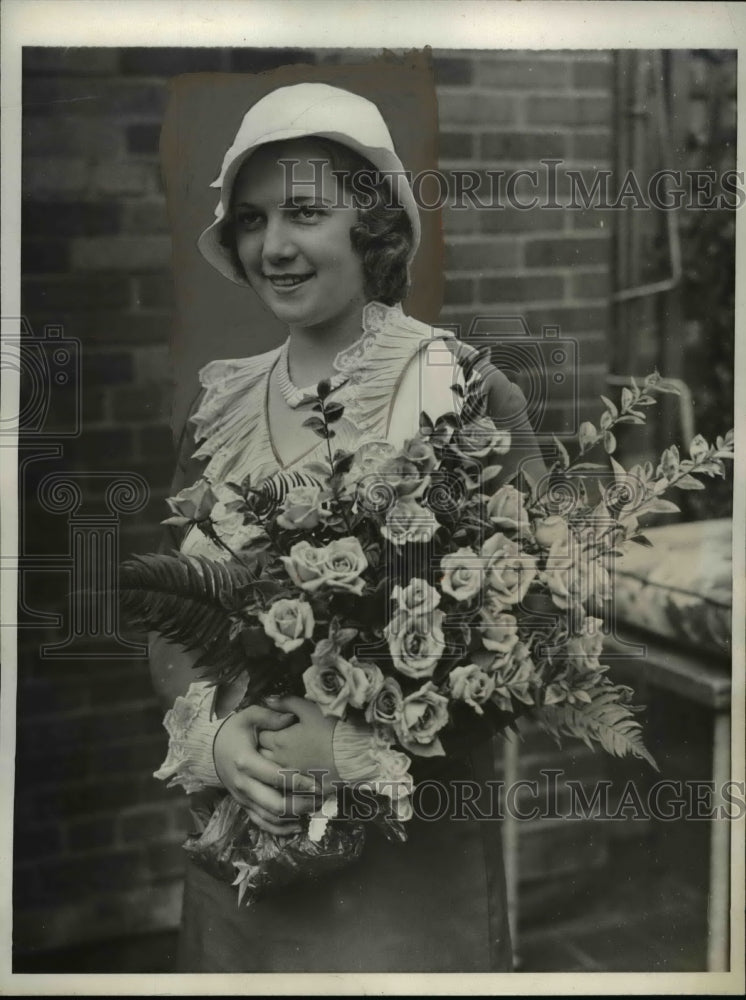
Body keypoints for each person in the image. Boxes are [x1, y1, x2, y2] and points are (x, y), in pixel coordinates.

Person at [148, 81, 545, 973]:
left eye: (303, 213)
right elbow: (169, 617)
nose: (273, 247)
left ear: (373, 227)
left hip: (408, 870)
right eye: (250, 221)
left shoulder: (467, 395)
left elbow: (544, 628)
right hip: (244, 841)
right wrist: (219, 740)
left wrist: (362, 743)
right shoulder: (221, 409)